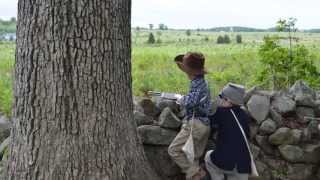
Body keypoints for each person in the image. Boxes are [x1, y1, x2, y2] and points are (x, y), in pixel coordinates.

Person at [168, 52, 212, 180]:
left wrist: (181, 99)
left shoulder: (197, 83)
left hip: (195, 124)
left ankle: (198, 174)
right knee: (193, 157)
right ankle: (196, 174)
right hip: (204, 124)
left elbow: (191, 102)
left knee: (174, 150)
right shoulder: (202, 82)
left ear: (190, 70)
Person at [205, 83, 251, 180]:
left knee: (208, 156)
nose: (220, 99)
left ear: (228, 100)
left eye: (221, 97)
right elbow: (248, 135)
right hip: (244, 167)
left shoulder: (220, 112)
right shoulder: (244, 114)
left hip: (224, 161)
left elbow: (208, 121)